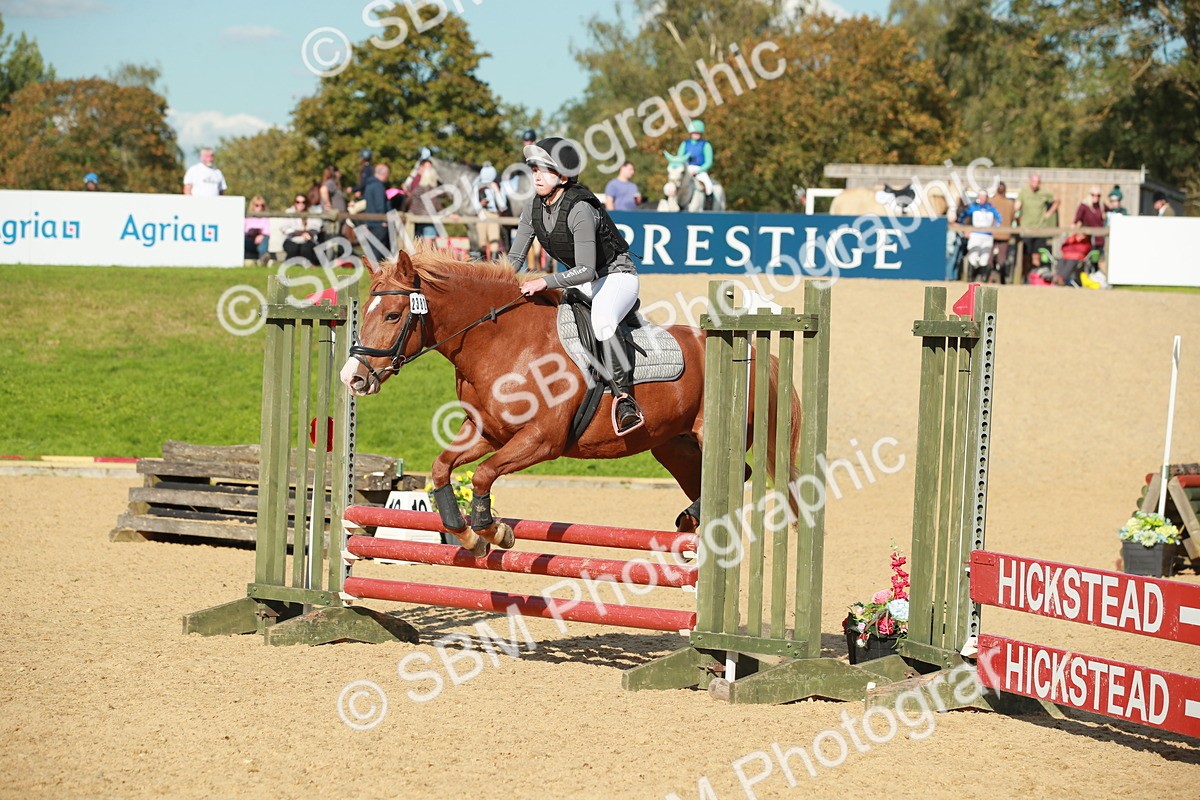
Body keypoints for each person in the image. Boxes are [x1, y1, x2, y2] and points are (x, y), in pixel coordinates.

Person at [512, 137, 644, 435]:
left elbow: (585, 270)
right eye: (533, 169)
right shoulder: (533, 207)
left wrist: (543, 281)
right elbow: (515, 258)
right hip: (585, 281)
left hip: (616, 276)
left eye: (543, 170)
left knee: (602, 320)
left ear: (563, 176)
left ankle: (625, 400)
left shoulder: (580, 208)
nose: (536, 175)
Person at [1014, 173, 1058, 276]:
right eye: (1033, 182)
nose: (1035, 184)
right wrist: (1017, 210)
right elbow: (1017, 206)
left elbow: (1057, 201)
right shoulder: (1024, 192)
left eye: (1037, 182)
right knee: (1025, 255)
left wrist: (1049, 213)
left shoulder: (1044, 193)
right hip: (1026, 228)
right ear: (1030, 182)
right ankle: (1024, 276)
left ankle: (1035, 277)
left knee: (1036, 255)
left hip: (1040, 229)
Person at [957, 190, 1001, 282]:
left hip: (987, 236)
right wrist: (964, 229)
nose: (982, 199)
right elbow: (962, 217)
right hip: (975, 235)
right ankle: (970, 278)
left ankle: (983, 279)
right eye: (980, 197)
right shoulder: (973, 207)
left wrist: (994, 229)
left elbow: (999, 219)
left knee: (984, 259)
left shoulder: (991, 208)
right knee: (973, 257)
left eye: (984, 197)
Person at [471, 162, 508, 251]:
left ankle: (492, 262)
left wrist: (496, 191)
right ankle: (482, 262)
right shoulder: (477, 186)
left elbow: (503, 205)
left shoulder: (498, 185)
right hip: (482, 214)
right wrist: (481, 205)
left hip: (494, 214)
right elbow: (474, 203)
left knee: (494, 241)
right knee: (482, 242)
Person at [673, 120, 714, 197]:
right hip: (686, 169)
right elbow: (679, 158)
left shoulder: (706, 145)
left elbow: (709, 162)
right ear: (691, 133)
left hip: (700, 170)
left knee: (709, 187)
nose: (696, 134)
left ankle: (708, 206)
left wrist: (698, 170)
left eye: (698, 133)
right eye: (694, 132)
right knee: (673, 184)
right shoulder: (685, 144)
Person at [404, 157, 441, 239]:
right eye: (427, 167)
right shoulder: (417, 181)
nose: (429, 169)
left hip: (418, 216)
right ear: (421, 167)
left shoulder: (422, 183)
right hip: (422, 217)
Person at [362, 163, 391, 265]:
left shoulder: (369, 185)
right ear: (384, 173)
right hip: (379, 223)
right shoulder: (378, 186)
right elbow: (380, 205)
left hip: (370, 221)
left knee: (372, 248)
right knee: (379, 251)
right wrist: (383, 220)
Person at [281, 193, 322, 265]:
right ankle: (289, 266)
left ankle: (309, 265)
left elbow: (316, 226)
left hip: (308, 239)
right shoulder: (289, 212)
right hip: (292, 239)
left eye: (303, 202)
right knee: (293, 249)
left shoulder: (312, 212)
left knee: (306, 249)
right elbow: (284, 228)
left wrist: (308, 233)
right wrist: (299, 233)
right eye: (298, 202)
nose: (301, 204)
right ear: (295, 203)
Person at [244, 195, 272, 264]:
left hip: (261, 241)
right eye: (257, 205)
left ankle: (263, 258)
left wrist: (261, 236)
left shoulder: (266, 218)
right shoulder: (247, 218)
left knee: (265, 238)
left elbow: (267, 231)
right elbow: (244, 231)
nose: (260, 207)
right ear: (252, 206)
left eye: (262, 205)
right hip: (249, 241)